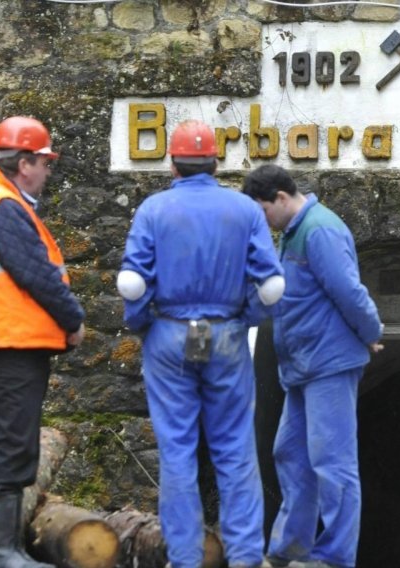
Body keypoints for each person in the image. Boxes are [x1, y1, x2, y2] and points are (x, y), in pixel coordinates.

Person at [117, 120, 285, 568]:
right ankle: (247, 556)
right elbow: (270, 285)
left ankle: (185, 558)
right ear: (215, 162)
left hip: (169, 334)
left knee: (176, 450)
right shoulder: (244, 211)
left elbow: (134, 282)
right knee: (235, 448)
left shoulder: (153, 210)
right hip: (226, 334)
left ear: (173, 164)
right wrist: (244, 316)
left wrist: (142, 325)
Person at [243, 165, 383, 568]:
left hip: (328, 363)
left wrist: (370, 330)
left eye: (263, 211)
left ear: (282, 199)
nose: (263, 222)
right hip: (302, 366)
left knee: (332, 462)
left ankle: (335, 557)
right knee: (289, 453)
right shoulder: (292, 232)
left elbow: (348, 290)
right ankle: (290, 549)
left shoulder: (319, 229)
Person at [0, 116, 86, 568]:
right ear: (25, 163)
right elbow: (37, 276)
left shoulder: (8, 204)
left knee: (17, 445)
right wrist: (73, 319)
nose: (47, 172)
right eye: (44, 163)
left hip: (14, 344)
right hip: (10, 346)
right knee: (12, 447)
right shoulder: (3, 208)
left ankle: (7, 548)